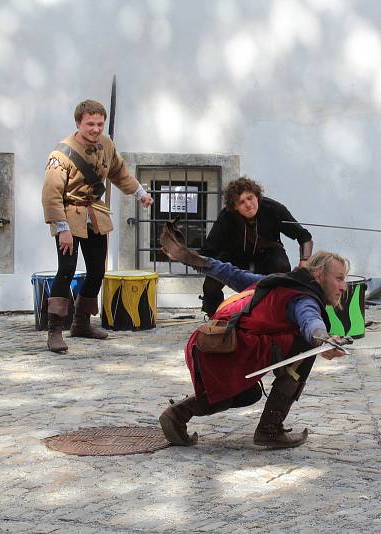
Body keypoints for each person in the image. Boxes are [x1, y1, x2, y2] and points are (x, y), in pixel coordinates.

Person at [158, 224, 347, 449]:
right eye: (339, 278)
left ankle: (177, 415)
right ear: (318, 274)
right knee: (305, 347)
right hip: (226, 349)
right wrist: (322, 340)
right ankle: (270, 430)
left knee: (247, 394)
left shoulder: (276, 282)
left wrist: (189, 257)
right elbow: (310, 322)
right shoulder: (302, 298)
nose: (343, 286)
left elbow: (228, 272)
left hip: (210, 347)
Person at [41, 100, 154, 353]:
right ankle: (55, 330)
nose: (95, 129)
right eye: (90, 124)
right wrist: (63, 229)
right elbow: (51, 194)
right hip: (69, 214)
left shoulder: (106, 144)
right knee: (66, 270)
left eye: (99, 124)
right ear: (78, 123)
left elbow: (119, 172)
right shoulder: (60, 155)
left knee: (96, 271)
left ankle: (81, 323)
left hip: (95, 213)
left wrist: (140, 194)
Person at [199, 176, 314, 317]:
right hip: (235, 257)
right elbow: (209, 250)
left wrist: (305, 261)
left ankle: (280, 315)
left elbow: (304, 236)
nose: (248, 204)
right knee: (210, 285)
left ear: (257, 196)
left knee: (282, 266)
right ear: (234, 206)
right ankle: (215, 319)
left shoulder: (273, 209)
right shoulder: (226, 217)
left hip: (268, 255)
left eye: (250, 198)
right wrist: (200, 262)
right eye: (241, 202)